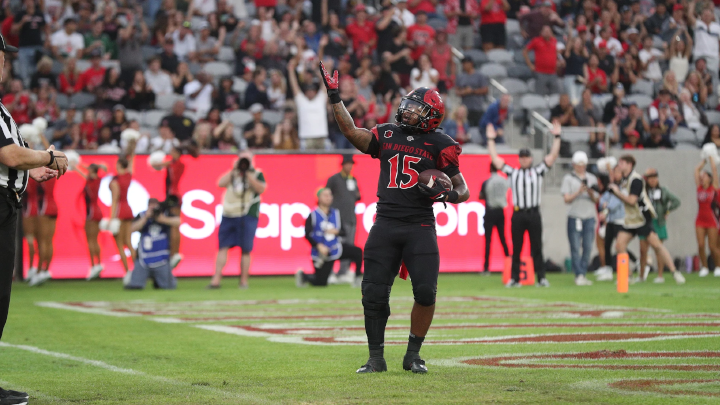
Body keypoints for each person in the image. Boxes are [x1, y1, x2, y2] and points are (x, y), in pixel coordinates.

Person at [320, 61, 470, 374]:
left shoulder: (440, 143)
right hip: (385, 223)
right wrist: (335, 98)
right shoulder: (388, 133)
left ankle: (413, 355)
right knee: (373, 293)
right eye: (408, 106)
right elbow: (352, 132)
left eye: (416, 109)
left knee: (426, 292)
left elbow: (463, 188)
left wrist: (446, 195)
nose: (408, 112)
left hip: (419, 225)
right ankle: (375, 358)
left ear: (431, 118)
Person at [0, 33, 68, 404]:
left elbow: (10, 160)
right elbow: (10, 156)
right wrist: (47, 158)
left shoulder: (1, 109)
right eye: (1, 55)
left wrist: (33, 171)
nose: (5, 62)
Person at [487, 120, 562, 288]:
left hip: (534, 213)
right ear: (519, 159)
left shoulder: (538, 171)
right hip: (518, 213)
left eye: (527, 156)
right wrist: (491, 140)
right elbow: (496, 160)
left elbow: (553, 156)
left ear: (531, 158)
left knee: (537, 247)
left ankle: (541, 278)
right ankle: (515, 278)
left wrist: (557, 137)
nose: (525, 159)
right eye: (522, 157)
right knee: (517, 247)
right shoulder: (513, 173)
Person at [609, 155, 685, 284]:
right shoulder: (624, 180)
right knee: (619, 245)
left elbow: (632, 201)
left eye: (621, 163)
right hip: (631, 219)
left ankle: (675, 272)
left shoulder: (636, 180)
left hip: (642, 217)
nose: (619, 165)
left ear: (629, 164)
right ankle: (627, 276)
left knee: (656, 245)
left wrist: (617, 192)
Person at [208, 151, 266, 289]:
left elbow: (261, 188)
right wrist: (234, 170)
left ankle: (244, 281)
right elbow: (220, 183)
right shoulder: (233, 174)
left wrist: (247, 175)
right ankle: (216, 279)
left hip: (247, 214)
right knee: (223, 247)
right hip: (229, 214)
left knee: (246, 249)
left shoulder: (257, 174)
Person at [296, 188, 364, 287]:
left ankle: (357, 277)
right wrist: (318, 246)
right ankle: (304, 276)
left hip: (336, 247)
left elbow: (343, 232)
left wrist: (337, 232)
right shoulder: (313, 215)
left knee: (357, 251)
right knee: (321, 282)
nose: (328, 197)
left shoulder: (336, 213)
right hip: (322, 252)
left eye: (330, 195)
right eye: (325, 195)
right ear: (318, 198)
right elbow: (307, 234)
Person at [124, 198, 181, 290]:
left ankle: (158, 281)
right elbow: (131, 229)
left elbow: (179, 221)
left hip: (162, 258)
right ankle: (136, 278)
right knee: (134, 286)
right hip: (144, 258)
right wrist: (145, 218)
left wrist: (163, 219)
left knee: (168, 286)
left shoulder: (164, 215)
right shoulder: (143, 215)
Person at [561, 151, 598, 286]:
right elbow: (567, 199)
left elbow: (596, 199)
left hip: (589, 216)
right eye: (578, 165)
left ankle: (582, 272)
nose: (581, 167)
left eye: (583, 165)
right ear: (574, 165)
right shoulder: (568, 178)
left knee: (588, 247)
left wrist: (590, 192)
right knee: (575, 247)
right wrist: (578, 192)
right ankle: (579, 274)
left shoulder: (592, 178)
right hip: (574, 216)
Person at [325, 155, 362, 285]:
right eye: (347, 164)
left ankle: (343, 271)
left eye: (351, 164)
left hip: (351, 217)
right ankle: (330, 271)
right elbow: (326, 195)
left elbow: (357, 195)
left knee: (350, 246)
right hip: (338, 219)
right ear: (343, 165)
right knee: (336, 245)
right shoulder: (334, 179)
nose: (350, 166)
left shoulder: (353, 179)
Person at [639, 168, 680, 283]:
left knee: (659, 249)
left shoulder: (663, 191)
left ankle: (660, 275)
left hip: (658, 222)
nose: (652, 181)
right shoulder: (644, 191)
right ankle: (641, 276)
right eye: (650, 179)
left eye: (654, 178)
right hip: (646, 222)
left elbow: (676, 201)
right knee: (643, 250)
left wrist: (667, 211)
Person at [151, 146, 185, 269]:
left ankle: (175, 253)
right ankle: (174, 253)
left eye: (172, 152)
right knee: (173, 225)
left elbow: (157, 165)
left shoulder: (176, 164)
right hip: (173, 196)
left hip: (173, 196)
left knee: (174, 225)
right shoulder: (175, 164)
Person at [73, 163, 108, 281]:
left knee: (91, 240)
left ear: (92, 171)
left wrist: (79, 165)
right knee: (95, 239)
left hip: (92, 212)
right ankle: (97, 263)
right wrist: (77, 165)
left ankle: (94, 265)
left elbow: (88, 172)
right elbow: (85, 173)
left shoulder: (93, 179)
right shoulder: (95, 179)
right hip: (96, 211)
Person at [288, 58, 329, 150]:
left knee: (324, 162)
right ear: (305, 92)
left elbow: (325, 84)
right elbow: (294, 86)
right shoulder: (302, 101)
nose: (310, 92)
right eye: (308, 91)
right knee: (306, 163)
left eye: (312, 90)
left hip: (321, 137)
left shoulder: (320, 99)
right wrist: (291, 70)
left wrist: (327, 70)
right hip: (306, 137)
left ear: (315, 92)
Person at [110, 143, 137, 284]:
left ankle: (127, 272)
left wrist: (111, 218)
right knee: (129, 243)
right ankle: (138, 271)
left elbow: (114, 200)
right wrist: (133, 148)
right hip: (128, 209)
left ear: (120, 164)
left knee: (120, 244)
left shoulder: (115, 181)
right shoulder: (128, 176)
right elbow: (132, 161)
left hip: (120, 211)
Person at [28, 175, 59, 287]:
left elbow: (30, 189)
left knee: (42, 241)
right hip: (53, 205)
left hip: (43, 207)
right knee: (49, 241)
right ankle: (46, 270)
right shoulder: (52, 172)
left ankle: (39, 271)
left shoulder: (39, 174)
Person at [479, 162, 509, 274]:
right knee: (503, 239)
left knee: (488, 241)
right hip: (501, 211)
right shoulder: (504, 181)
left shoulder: (487, 182)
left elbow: (481, 195)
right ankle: (510, 264)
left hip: (490, 212)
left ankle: (486, 268)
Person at [694, 157, 720, 278]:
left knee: (713, 246)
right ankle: (704, 267)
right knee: (700, 245)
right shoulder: (699, 187)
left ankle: (718, 267)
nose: (702, 177)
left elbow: (715, 172)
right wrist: (703, 161)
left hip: (711, 220)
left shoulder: (713, 187)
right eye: (702, 175)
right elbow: (696, 170)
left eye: (704, 175)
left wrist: (711, 160)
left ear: (709, 178)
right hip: (700, 219)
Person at [523, 25, 559, 95]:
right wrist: (530, 65)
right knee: (540, 94)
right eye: (545, 31)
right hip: (540, 72)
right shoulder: (536, 40)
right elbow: (525, 51)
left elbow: (556, 53)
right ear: (541, 32)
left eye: (549, 31)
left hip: (553, 72)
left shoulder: (554, 41)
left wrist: (557, 62)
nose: (547, 33)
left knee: (555, 95)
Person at [455, 56, 489, 127]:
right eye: (463, 63)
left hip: (477, 107)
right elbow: (457, 91)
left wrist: (473, 91)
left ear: (471, 64)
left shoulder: (479, 75)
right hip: (465, 108)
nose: (464, 65)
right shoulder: (461, 76)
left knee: (478, 127)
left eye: (466, 63)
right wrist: (464, 92)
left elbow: (485, 90)